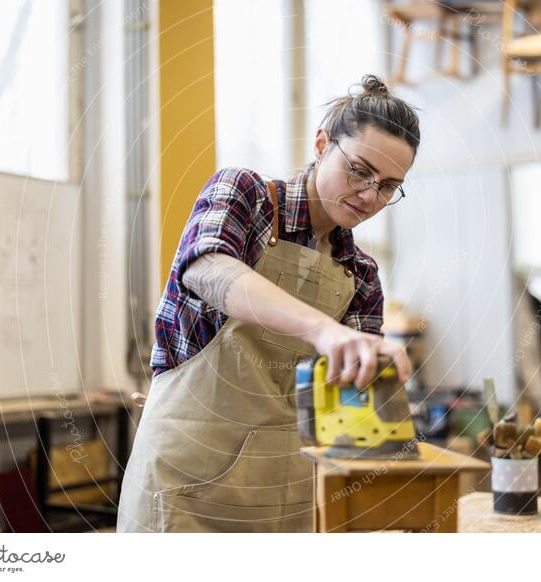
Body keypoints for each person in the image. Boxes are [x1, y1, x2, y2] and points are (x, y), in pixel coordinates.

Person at [117, 74, 421, 532]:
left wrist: (380, 390)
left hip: (284, 494)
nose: (368, 196)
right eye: (359, 170)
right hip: (184, 484)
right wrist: (323, 329)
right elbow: (207, 268)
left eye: (388, 186)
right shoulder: (247, 196)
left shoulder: (361, 273)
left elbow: (349, 405)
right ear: (322, 144)